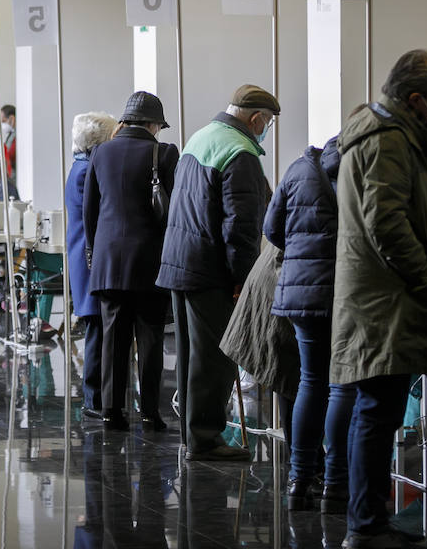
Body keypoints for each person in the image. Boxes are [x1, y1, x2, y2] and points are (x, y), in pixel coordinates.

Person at [333, 49, 427, 548]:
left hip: (385, 301)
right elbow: (385, 221)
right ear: (416, 99)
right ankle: (364, 526)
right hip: (385, 304)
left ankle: (371, 520)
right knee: (375, 412)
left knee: (378, 413)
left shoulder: (406, 136)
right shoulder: (387, 140)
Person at [161, 84, 279, 457]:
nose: (266, 130)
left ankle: (192, 434)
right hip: (209, 268)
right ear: (257, 118)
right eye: (268, 123)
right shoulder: (241, 153)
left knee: (191, 354)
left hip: (179, 260)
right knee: (215, 357)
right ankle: (206, 439)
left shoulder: (201, 137)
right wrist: (243, 279)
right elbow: (241, 226)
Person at [265, 136, 353, 511]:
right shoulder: (358, 172)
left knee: (309, 382)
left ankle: (299, 481)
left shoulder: (299, 168)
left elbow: (271, 228)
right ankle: (335, 484)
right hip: (345, 292)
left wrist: (303, 251)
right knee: (340, 386)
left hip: (300, 294)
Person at [85, 91, 178, 431]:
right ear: (154, 124)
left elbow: (89, 211)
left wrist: (95, 254)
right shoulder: (164, 153)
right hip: (150, 262)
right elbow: (174, 213)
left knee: (114, 338)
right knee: (151, 339)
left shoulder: (100, 152)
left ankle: (111, 410)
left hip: (109, 261)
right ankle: (150, 412)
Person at [65, 112, 118, 420]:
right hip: (91, 261)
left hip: (86, 259)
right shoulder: (88, 172)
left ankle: (96, 396)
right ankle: (94, 398)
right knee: (96, 331)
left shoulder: (80, 167)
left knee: (96, 330)